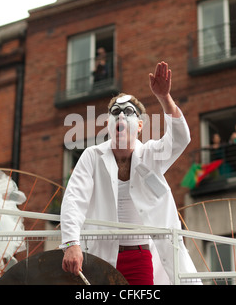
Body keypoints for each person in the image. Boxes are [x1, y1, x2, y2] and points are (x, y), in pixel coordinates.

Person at [60, 61, 201, 285]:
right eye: (115, 112)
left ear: (140, 125)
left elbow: (180, 139)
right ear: (108, 123)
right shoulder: (92, 156)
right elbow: (74, 200)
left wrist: (164, 98)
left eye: (128, 112)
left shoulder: (151, 155)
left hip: (140, 257)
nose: (121, 117)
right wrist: (70, 243)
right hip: (101, 256)